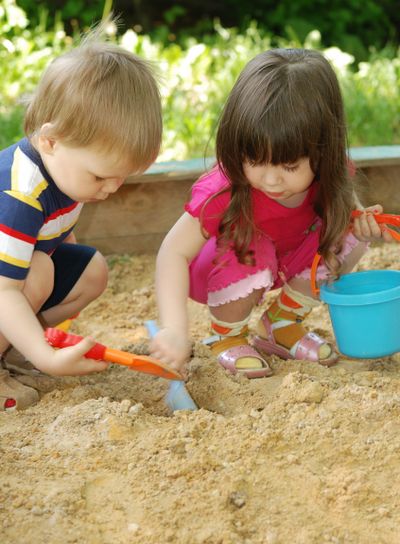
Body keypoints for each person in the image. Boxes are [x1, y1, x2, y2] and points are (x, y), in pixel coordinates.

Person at [150, 48, 392, 380]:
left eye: (290, 166)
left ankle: (281, 323)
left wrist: (364, 227)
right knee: (253, 246)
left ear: (324, 151)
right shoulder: (225, 190)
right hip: (227, 268)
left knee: (347, 230)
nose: (271, 179)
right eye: (255, 162)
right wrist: (175, 328)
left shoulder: (330, 176)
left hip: (288, 260)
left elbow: (349, 218)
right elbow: (172, 252)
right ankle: (228, 336)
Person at [0, 21, 162, 410]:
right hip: (3, 288)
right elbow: (4, 293)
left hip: (14, 280)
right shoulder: (19, 195)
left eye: (122, 177)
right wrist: (47, 357)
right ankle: (24, 349)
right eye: (102, 177)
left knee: (91, 270)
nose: (112, 188)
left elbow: (58, 237)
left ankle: (17, 347)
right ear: (50, 140)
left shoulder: (70, 171)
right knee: (36, 272)